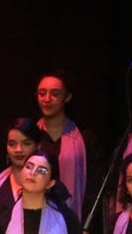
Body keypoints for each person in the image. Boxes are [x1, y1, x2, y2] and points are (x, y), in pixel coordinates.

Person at [0, 118, 46, 234]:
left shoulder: (53, 188)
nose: (18, 149)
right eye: (12, 144)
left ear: (38, 146)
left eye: (26, 143)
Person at [34, 70, 90, 214]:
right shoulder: (31, 137)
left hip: (70, 219)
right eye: (42, 93)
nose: (47, 99)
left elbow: (92, 187)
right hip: (36, 215)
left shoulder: (83, 139)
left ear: (67, 97)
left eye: (55, 94)